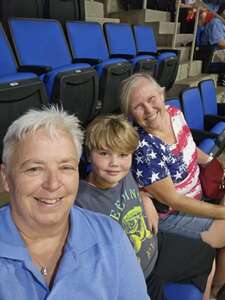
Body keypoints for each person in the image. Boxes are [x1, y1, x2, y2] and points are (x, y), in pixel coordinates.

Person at [0, 106, 150, 300]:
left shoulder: (110, 235)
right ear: (5, 178)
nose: (53, 184)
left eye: (66, 167)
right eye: (34, 169)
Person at [76, 114, 215, 300]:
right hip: (136, 277)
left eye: (123, 155)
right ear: (89, 155)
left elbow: (143, 187)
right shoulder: (81, 203)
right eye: (103, 153)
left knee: (206, 252)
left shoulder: (126, 173)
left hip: (155, 248)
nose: (114, 163)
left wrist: (144, 196)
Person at [120, 72, 225, 300]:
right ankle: (216, 291)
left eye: (151, 99)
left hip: (199, 194)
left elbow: (190, 147)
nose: (148, 110)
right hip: (173, 214)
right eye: (138, 107)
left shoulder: (174, 113)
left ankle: (218, 284)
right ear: (130, 114)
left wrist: (213, 164)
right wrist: (221, 212)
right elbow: (173, 200)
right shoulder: (145, 147)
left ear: (162, 93)